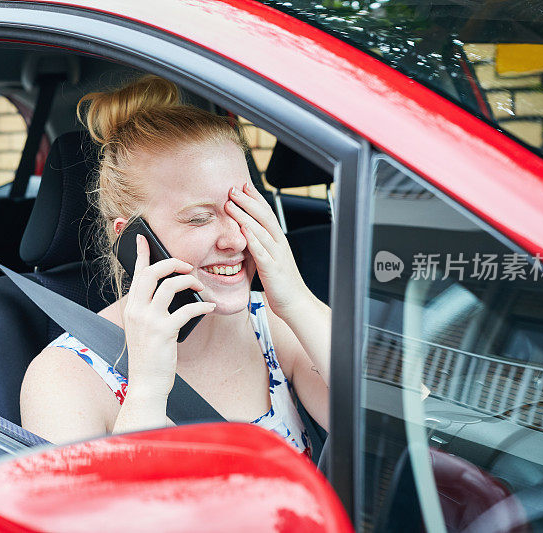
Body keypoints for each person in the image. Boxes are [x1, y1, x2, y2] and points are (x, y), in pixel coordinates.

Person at [20, 75, 330, 456]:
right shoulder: (62, 376)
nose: (234, 239)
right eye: (200, 218)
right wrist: (147, 391)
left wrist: (296, 300)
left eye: (242, 210)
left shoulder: (274, 326)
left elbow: (396, 432)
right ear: (135, 238)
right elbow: (91, 515)